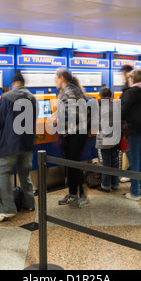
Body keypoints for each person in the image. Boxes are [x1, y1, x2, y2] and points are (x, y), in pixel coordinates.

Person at [0, 70, 37, 222]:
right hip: (27, 143)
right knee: (25, 174)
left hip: (9, 144)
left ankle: (8, 209)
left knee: (3, 173)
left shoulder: (6, 98)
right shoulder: (32, 98)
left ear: (13, 84)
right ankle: (29, 203)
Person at [54, 69, 89, 208]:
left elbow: (71, 112)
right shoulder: (68, 90)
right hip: (72, 133)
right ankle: (73, 193)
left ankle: (83, 196)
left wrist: (56, 120)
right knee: (71, 164)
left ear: (61, 78)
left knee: (74, 164)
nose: (54, 81)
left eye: (55, 78)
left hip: (77, 133)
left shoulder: (70, 91)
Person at [121, 70, 141, 200]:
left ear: (132, 79)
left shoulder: (131, 92)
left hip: (134, 130)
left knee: (134, 160)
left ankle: (134, 192)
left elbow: (123, 109)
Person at [96, 87, 119, 192]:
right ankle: (115, 184)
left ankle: (105, 185)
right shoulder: (116, 104)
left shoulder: (100, 106)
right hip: (115, 138)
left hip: (105, 138)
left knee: (106, 163)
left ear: (101, 96)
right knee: (114, 161)